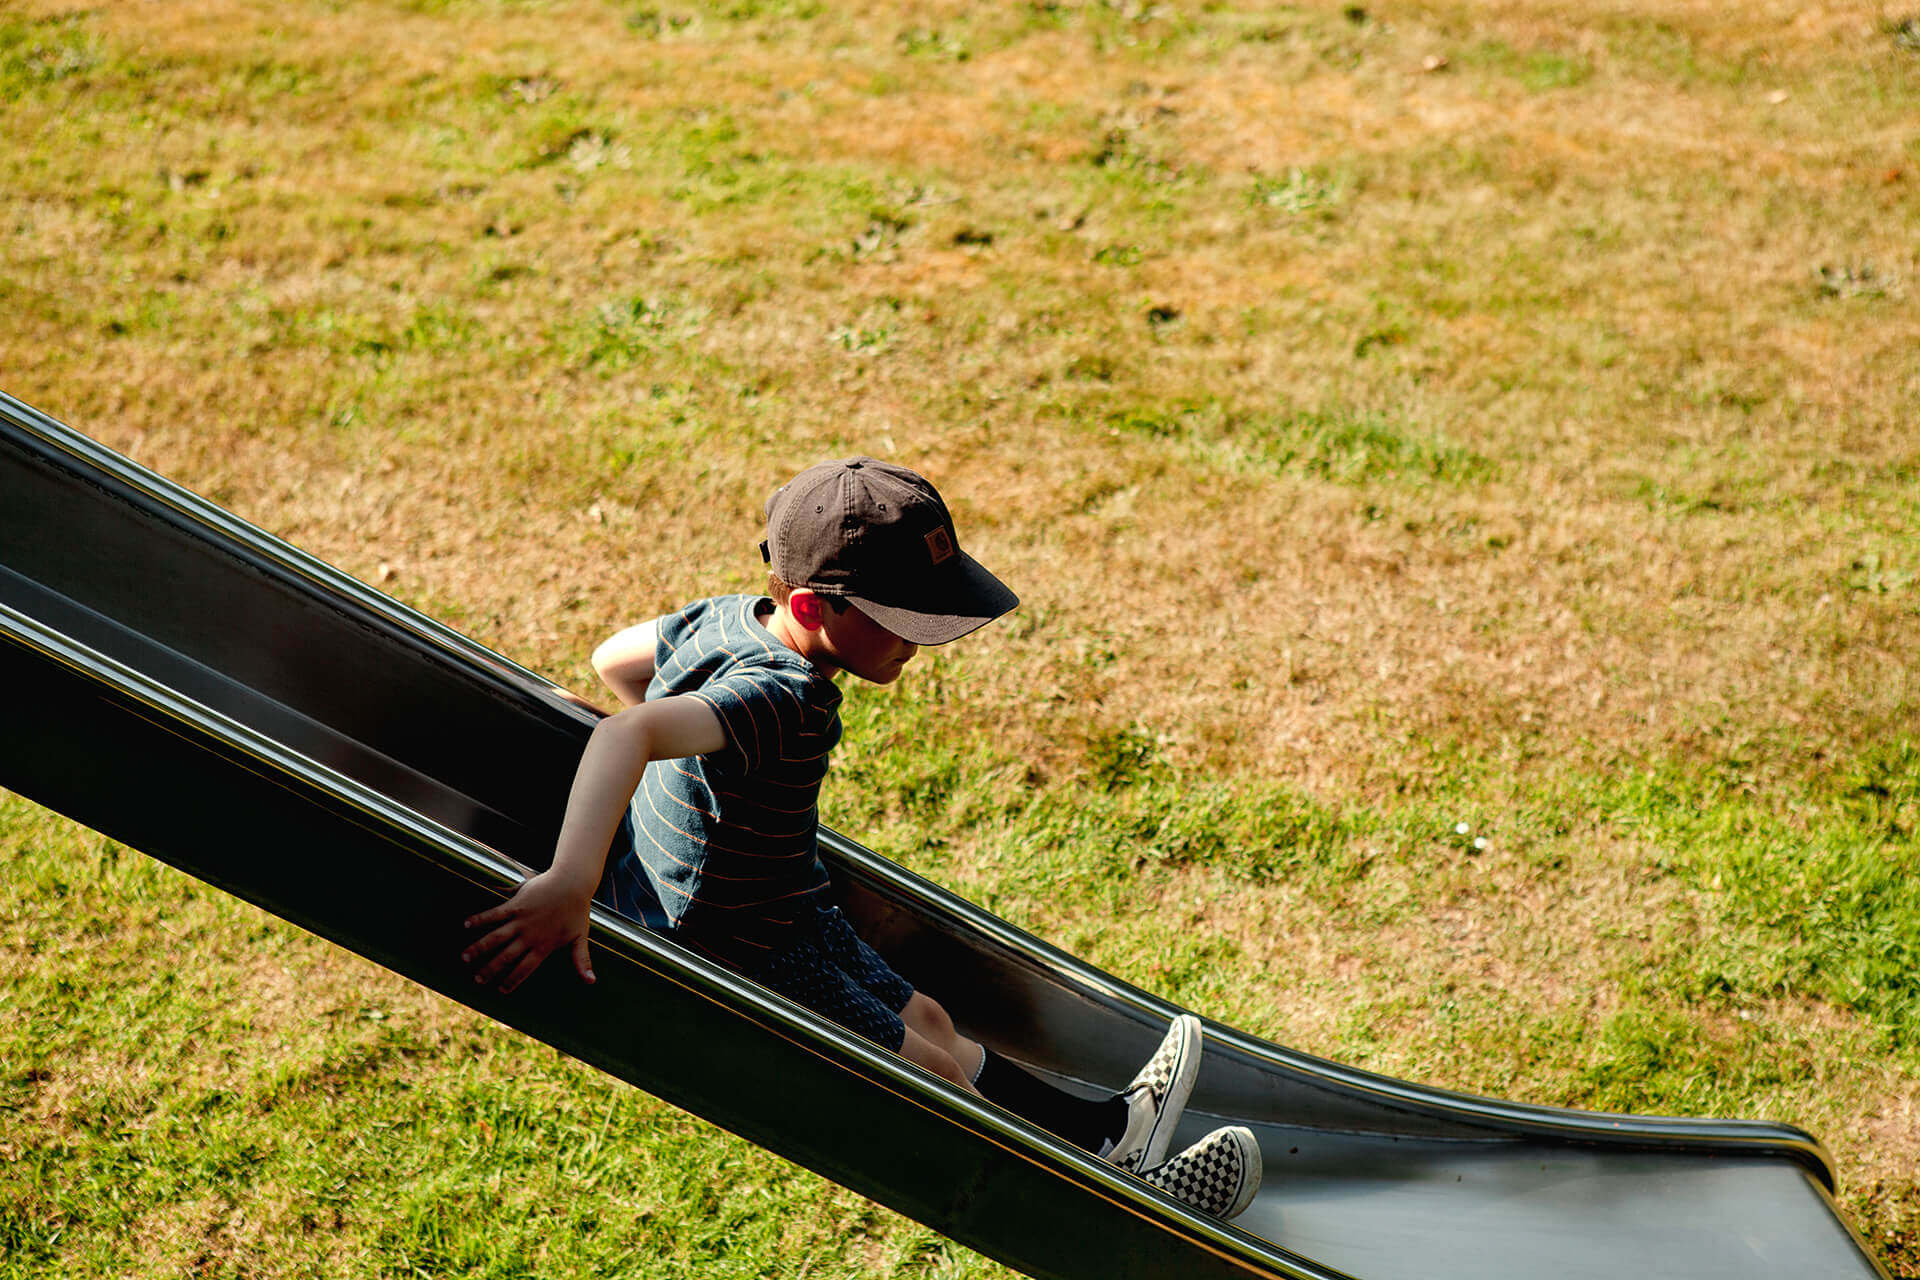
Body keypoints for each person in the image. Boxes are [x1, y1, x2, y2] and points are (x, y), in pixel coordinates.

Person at [461, 457, 1261, 1220]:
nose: (918, 642)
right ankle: (1111, 1201)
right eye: (900, 621)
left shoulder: (725, 618)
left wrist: (700, 768)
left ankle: (1105, 1132)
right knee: (931, 1072)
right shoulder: (783, 698)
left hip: (783, 902)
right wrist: (572, 882)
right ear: (812, 606)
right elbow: (625, 733)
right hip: (740, 945)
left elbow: (615, 662)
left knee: (933, 1019)